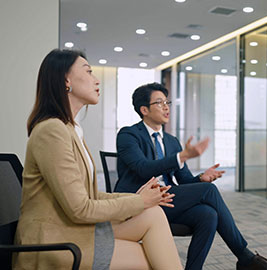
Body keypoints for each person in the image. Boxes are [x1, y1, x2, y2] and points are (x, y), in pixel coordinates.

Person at [14, 49, 183, 270]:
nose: (96, 80)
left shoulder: (70, 129)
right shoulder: (51, 131)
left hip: (73, 230)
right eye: (89, 72)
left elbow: (89, 196)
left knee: (154, 214)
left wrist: (138, 198)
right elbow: (80, 208)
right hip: (55, 242)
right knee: (152, 260)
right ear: (66, 80)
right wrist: (138, 202)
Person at [114, 82, 267, 270]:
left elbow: (185, 181)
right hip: (140, 202)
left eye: (167, 102)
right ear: (144, 109)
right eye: (159, 103)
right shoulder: (128, 135)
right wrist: (182, 157)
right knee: (209, 191)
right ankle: (244, 256)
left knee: (208, 214)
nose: (166, 107)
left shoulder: (172, 141)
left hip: (168, 199)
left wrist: (200, 179)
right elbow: (143, 169)